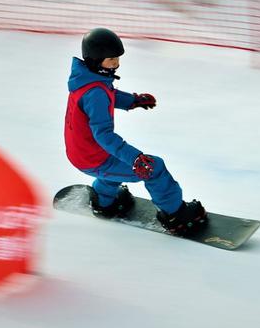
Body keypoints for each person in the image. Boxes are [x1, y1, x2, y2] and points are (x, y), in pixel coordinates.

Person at [64, 27, 207, 236]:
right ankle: (177, 216)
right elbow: (103, 134)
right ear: (95, 59)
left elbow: (110, 95)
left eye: (117, 58)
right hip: (93, 157)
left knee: (115, 161)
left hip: (84, 153)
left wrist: (134, 101)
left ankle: (105, 201)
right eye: (111, 59)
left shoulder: (87, 80)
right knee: (154, 168)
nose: (116, 63)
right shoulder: (95, 92)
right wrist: (136, 159)